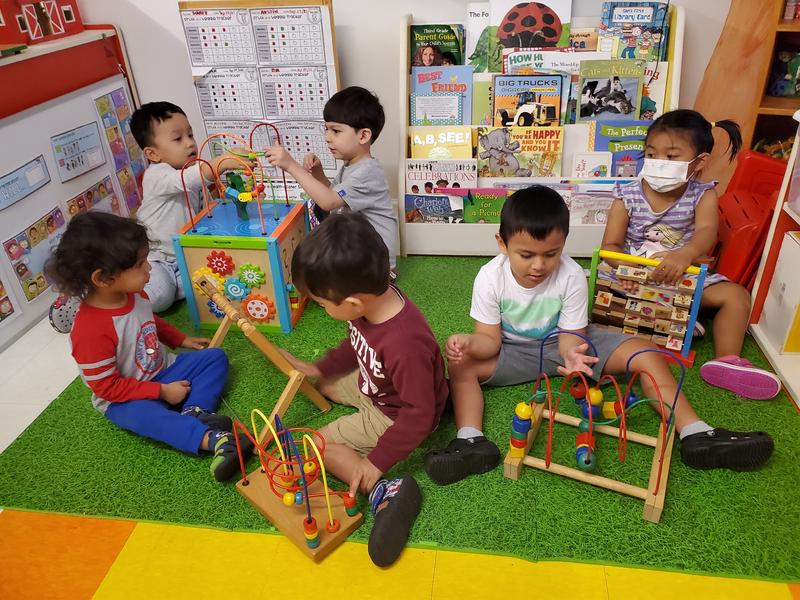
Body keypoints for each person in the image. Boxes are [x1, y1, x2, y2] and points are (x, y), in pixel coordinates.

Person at [424, 186, 774, 486]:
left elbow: (571, 335)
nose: (539, 266)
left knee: (645, 352)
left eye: (551, 254)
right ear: (502, 243)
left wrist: (573, 354)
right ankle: (471, 440)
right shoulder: (489, 277)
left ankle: (695, 432)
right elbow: (490, 341)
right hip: (512, 350)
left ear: (564, 244)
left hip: (564, 347)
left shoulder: (572, 274)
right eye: (526, 255)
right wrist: (468, 342)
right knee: (461, 366)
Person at [279, 212, 449, 566]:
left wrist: (375, 462)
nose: (322, 309)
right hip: (378, 387)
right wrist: (320, 368)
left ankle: (384, 491)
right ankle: (335, 387)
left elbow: (419, 414)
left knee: (318, 447)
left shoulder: (404, 343)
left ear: (352, 303)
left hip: (395, 416)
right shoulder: (370, 304)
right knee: (325, 383)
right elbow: (356, 347)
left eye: (322, 304)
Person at [46, 212, 252, 482]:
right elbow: (106, 388)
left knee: (214, 357)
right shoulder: (89, 332)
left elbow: (149, 319)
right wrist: (161, 392)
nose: (149, 269)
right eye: (140, 264)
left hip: (163, 371)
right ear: (103, 278)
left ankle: (195, 412)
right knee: (145, 416)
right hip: (124, 398)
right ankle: (213, 440)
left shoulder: (134, 293)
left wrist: (180, 340)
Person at [601, 109, 781, 400]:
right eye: (651, 154)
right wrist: (628, 269)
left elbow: (707, 231)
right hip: (632, 279)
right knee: (598, 291)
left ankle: (727, 361)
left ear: (700, 162)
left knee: (736, 296)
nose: (659, 162)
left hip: (682, 277)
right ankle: (666, 323)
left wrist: (685, 254)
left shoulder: (702, 193)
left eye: (671, 156)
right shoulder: (627, 193)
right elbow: (610, 246)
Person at [264, 87, 398, 278]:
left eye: (336, 131)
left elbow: (328, 202)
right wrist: (318, 173)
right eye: (326, 129)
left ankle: (383, 280)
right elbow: (333, 193)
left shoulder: (367, 172)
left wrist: (291, 166)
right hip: (360, 250)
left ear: (363, 136)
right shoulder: (352, 166)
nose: (327, 138)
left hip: (375, 263)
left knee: (317, 269)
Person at [131, 101, 246, 312]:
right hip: (159, 259)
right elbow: (188, 179)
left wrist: (240, 198)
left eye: (190, 135)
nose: (190, 143)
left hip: (187, 256)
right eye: (178, 139)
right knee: (160, 297)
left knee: (216, 282)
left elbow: (207, 209)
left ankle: (175, 285)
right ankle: (124, 295)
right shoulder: (157, 175)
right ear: (153, 154)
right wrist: (222, 162)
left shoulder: (191, 170)